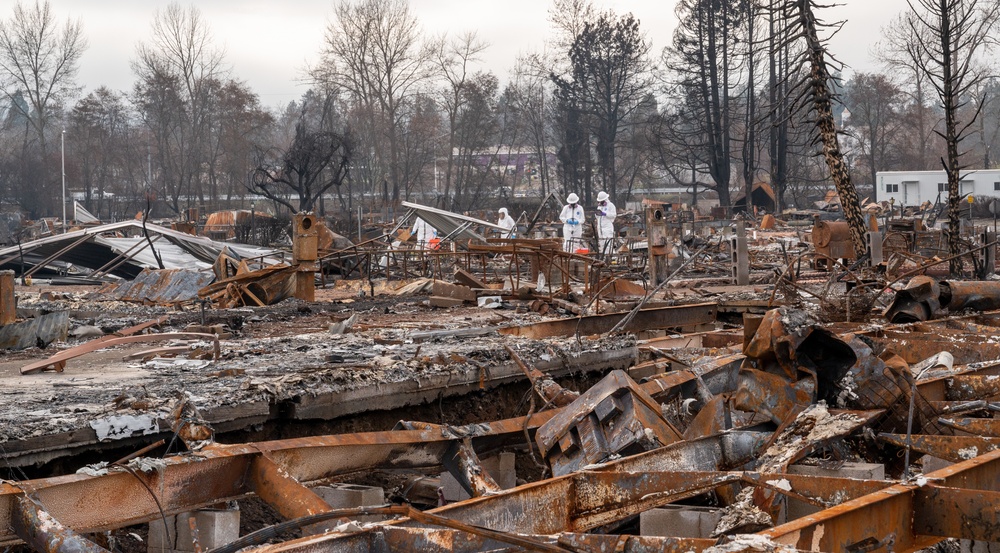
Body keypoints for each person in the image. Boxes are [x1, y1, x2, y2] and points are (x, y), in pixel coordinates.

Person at [595, 191, 617, 256]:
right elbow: (597, 217)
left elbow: (613, 215)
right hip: (600, 227)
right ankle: (603, 258)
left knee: (608, 244)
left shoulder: (611, 205)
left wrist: (605, 214)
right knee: (601, 244)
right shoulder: (600, 206)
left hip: (607, 227)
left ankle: (612, 258)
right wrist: (597, 214)